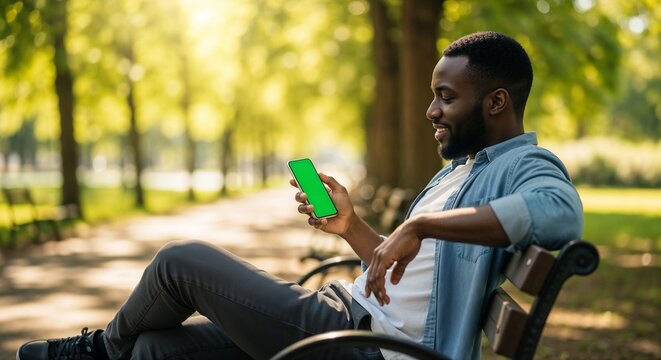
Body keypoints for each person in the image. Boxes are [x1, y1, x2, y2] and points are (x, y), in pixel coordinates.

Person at [16, 31, 582, 360]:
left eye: (446, 97)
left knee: (178, 263)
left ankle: (91, 354)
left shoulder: (523, 165)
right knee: (154, 352)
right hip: (346, 314)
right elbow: (409, 276)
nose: (431, 110)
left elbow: (561, 214)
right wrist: (354, 229)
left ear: (496, 102)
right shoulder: (457, 173)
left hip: (362, 345)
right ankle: (108, 351)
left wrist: (422, 226)